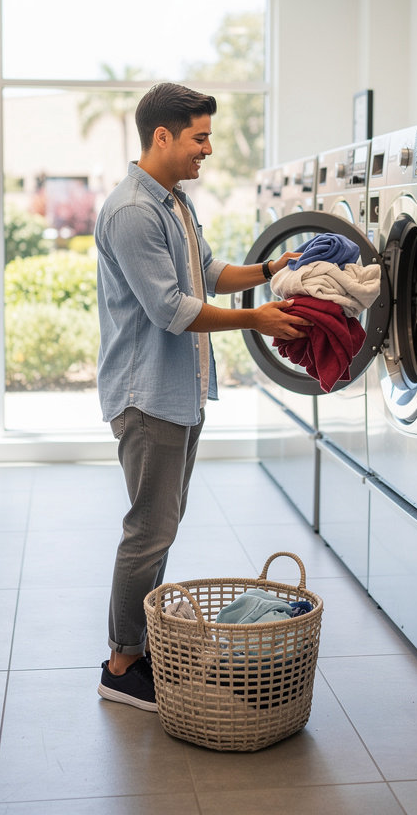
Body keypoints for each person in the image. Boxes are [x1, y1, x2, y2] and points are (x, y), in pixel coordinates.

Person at [94, 81, 309, 711]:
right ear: (161, 136)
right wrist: (256, 320)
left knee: (162, 527)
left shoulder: (175, 203)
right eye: (199, 136)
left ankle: (142, 643)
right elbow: (170, 309)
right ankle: (122, 661)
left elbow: (209, 271)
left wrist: (271, 270)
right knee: (148, 530)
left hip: (179, 392)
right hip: (148, 395)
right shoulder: (133, 211)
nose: (208, 149)